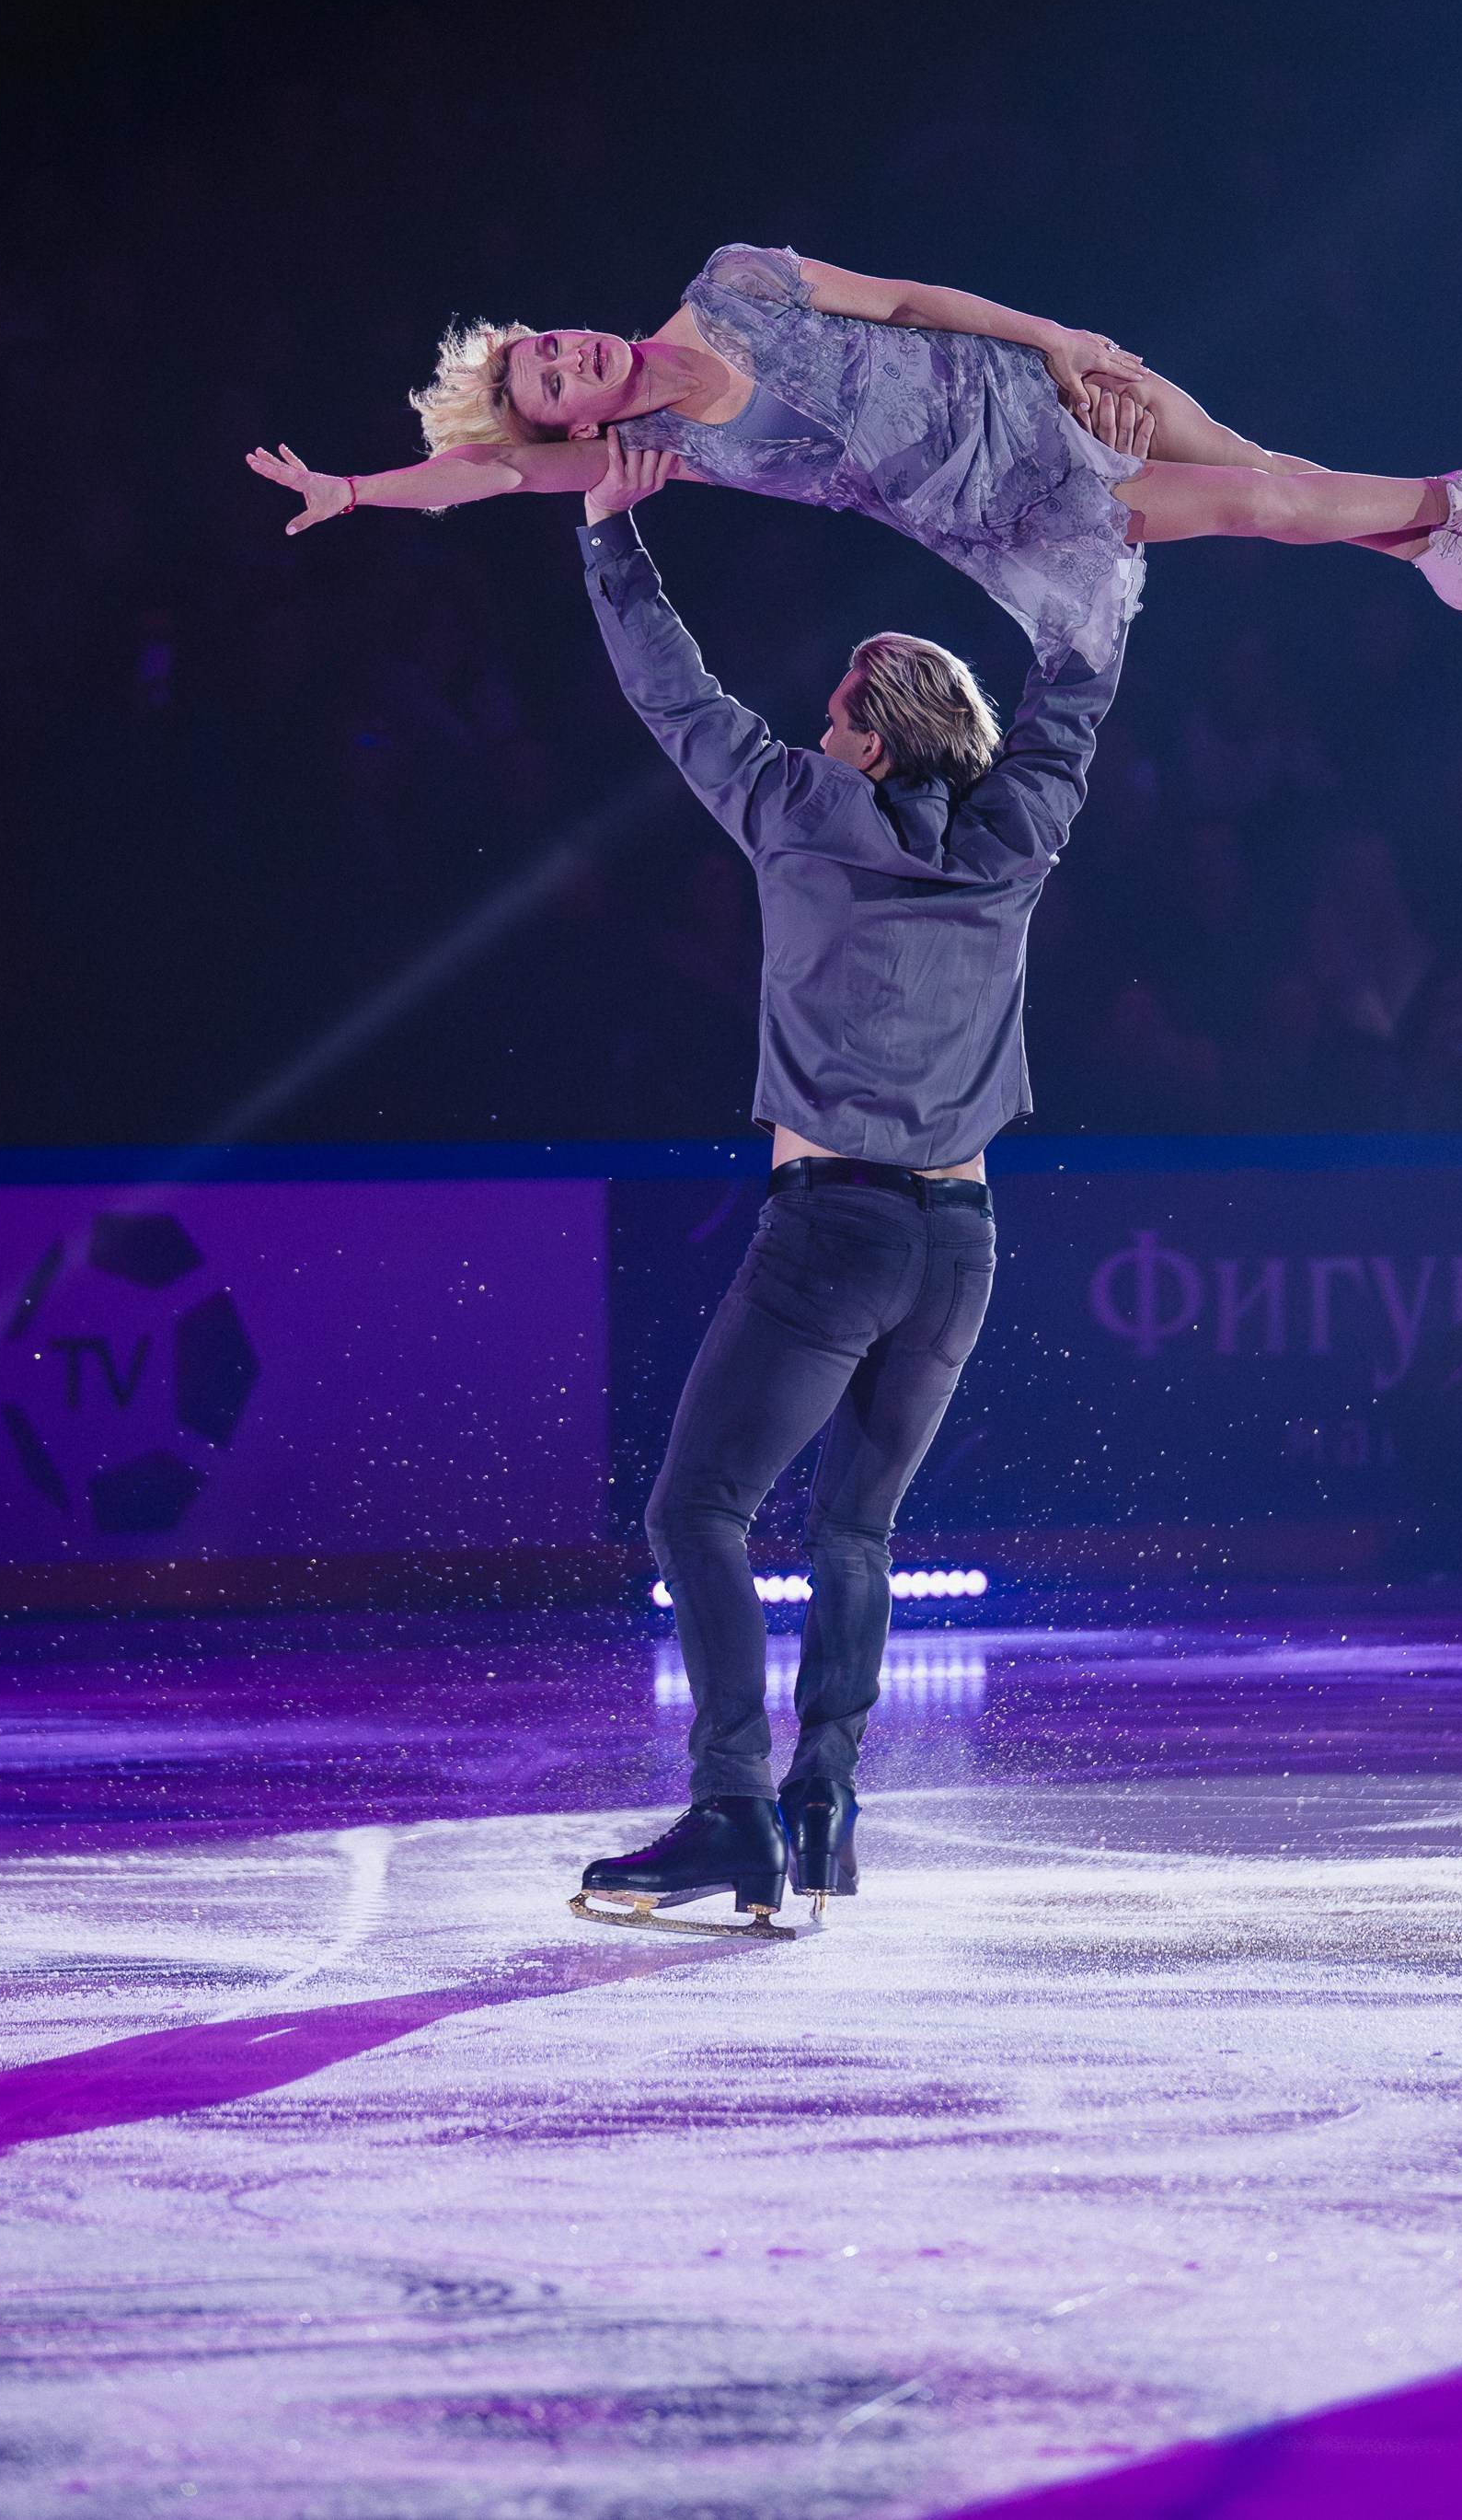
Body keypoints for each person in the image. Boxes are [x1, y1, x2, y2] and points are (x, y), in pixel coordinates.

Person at [565, 422, 1126, 1932]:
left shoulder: (800, 814)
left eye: (831, 719)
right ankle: (825, 1794)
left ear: (870, 742)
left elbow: (672, 696)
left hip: (836, 1232)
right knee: (855, 1532)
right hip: (962, 1242)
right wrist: (1105, 556)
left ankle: (733, 1808)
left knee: (698, 1513)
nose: (813, 737)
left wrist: (611, 534)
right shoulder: (1017, 835)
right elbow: (1075, 697)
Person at [247, 243, 1462, 666]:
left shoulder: (734, 280)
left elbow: (908, 305)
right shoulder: (660, 447)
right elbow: (478, 474)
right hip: (1006, 505)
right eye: (550, 390)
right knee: (1268, 500)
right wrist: (356, 488)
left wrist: (1062, 339)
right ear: (575, 425)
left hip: (1036, 390)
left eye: (550, 346)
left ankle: (1447, 568)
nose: (567, 363)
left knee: (1276, 478)